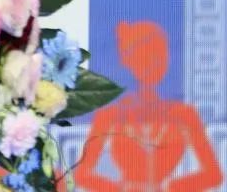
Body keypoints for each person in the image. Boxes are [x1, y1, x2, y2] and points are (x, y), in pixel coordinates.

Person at [76, 20, 223, 191]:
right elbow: (82, 174)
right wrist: (120, 189)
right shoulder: (109, 115)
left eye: (161, 55)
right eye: (149, 56)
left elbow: (214, 174)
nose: (156, 63)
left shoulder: (185, 114)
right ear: (132, 61)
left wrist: (171, 188)